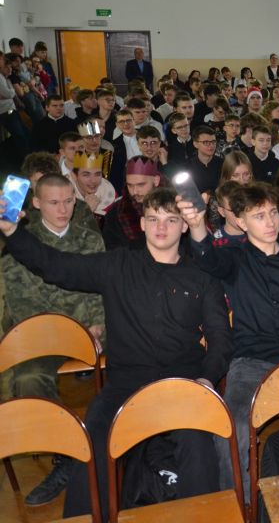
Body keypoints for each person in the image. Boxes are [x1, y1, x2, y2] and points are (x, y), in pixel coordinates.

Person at [0, 187, 232, 520]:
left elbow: (221, 340)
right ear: (142, 223)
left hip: (181, 381)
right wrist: (12, 231)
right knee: (93, 440)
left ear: (184, 226)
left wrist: (206, 379)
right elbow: (56, 266)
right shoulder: (118, 265)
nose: (161, 227)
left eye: (170, 220)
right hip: (125, 383)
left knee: (197, 445)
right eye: (153, 219)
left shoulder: (202, 278)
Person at [177, 183, 279, 500]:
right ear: (241, 221)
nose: (270, 222)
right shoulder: (233, 259)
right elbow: (206, 257)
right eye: (259, 216)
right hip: (251, 361)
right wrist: (196, 225)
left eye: (273, 213)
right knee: (232, 427)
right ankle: (241, 505)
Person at [0, 174, 106, 506]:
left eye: (69, 201)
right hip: (45, 338)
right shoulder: (19, 242)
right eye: (53, 202)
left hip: (90, 334)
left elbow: (101, 291)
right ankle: (66, 453)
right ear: (35, 203)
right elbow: (23, 304)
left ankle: (118, 446)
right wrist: (68, 333)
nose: (63, 209)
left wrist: (98, 326)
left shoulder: (89, 239)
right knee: (28, 378)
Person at [101, 157, 162, 250]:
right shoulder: (116, 212)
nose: (135, 191)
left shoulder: (173, 207)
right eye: (130, 185)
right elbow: (112, 249)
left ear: (156, 181)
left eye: (141, 185)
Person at [72, 152, 116, 217]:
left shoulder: (111, 195)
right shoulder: (63, 197)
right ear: (74, 176)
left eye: (97, 174)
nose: (93, 181)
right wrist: (86, 211)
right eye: (86, 175)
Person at [184, 125, 224, 195]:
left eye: (213, 141)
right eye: (206, 142)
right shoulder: (187, 166)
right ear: (195, 144)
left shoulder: (223, 163)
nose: (211, 145)